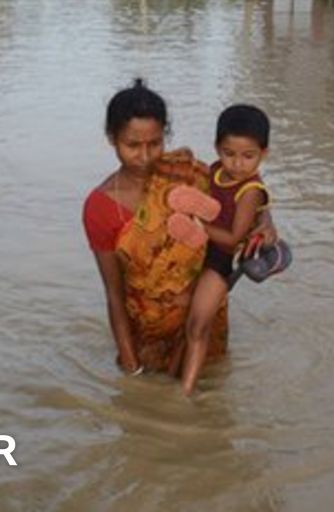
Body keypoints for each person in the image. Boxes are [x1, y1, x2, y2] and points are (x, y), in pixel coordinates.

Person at [83, 80, 275, 376]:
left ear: (165, 136)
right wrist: (132, 368)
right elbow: (114, 294)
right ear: (112, 138)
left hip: (204, 326)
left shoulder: (186, 174)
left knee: (212, 400)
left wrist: (266, 223)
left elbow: (243, 193)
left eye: (155, 143)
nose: (145, 156)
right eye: (132, 145)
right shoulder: (101, 208)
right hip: (147, 339)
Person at [176, 105, 272, 396]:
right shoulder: (215, 171)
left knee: (197, 324)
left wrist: (197, 225)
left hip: (220, 259)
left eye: (248, 156)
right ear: (217, 148)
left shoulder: (251, 190)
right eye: (229, 154)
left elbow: (232, 239)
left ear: (263, 153)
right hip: (194, 250)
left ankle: (185, 392)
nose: (238, 164)